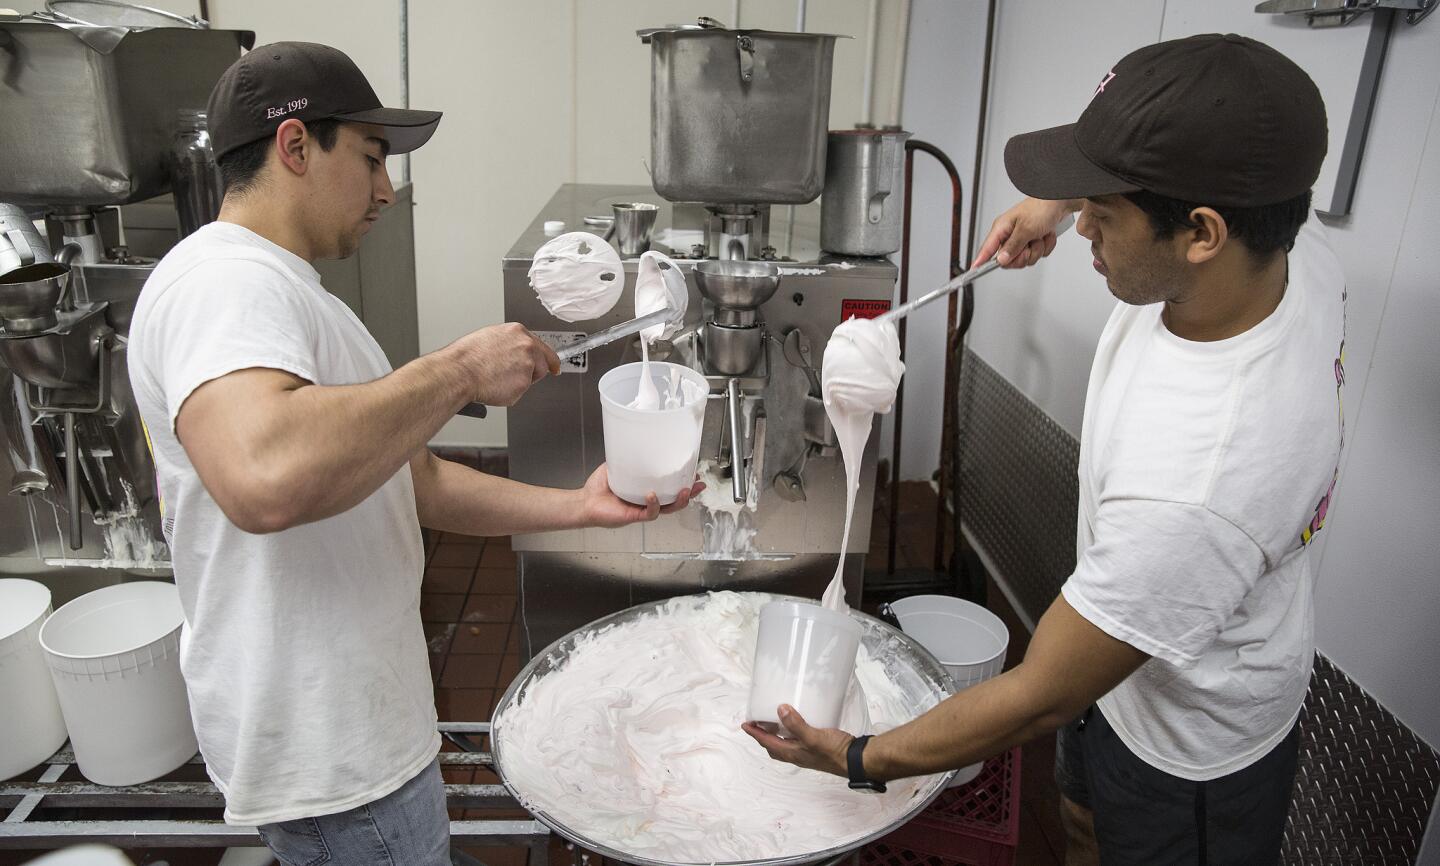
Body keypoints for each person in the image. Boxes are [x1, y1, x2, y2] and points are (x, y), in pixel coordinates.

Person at [744, 33, 1345, 866]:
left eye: (1105, 209)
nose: (1085, 226)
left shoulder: (1203, 479)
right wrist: (1060, 205)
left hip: (1187, 750)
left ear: (1202, 233)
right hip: (1125, 652)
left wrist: (856, 756)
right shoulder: (1287, 250)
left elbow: (1034, 697)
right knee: (1081, 826)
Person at [128, 42, 700, 866]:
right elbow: (264, 478)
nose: (387, 191)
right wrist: (460, 369)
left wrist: (579, 506)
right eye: (370, 158)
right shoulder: (223, 286)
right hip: (333, 753)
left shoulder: (287, 292)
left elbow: (414, 480)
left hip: (363, 726)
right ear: (295, 146)